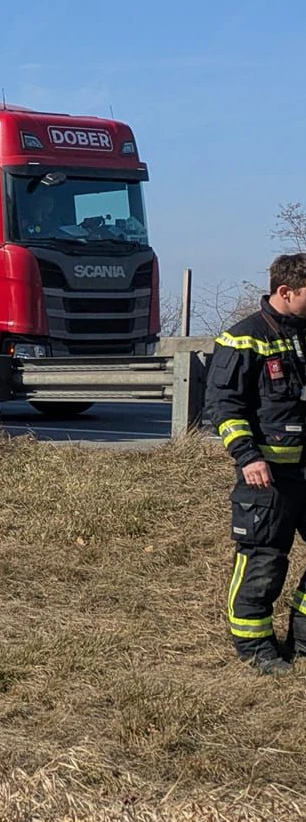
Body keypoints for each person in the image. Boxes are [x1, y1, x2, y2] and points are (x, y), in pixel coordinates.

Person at [205, 253, 306, 675]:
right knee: (264, 558)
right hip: (267, 476)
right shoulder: (243, 338)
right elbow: (222, 406)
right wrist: (248, 456)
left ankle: (302, 643)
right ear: (286, 292)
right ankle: (254, 649)